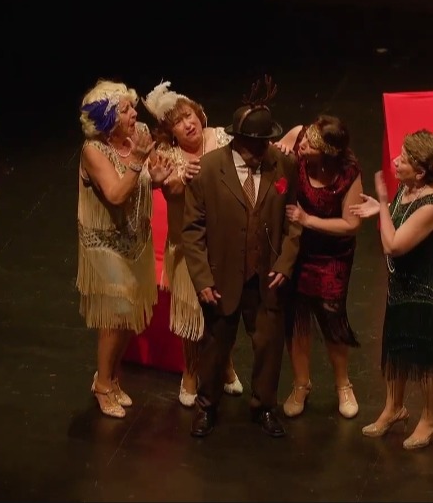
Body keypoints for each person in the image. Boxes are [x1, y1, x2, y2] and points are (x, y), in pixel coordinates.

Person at [181, 76, 301, 438]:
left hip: (266, 277)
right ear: (238, 139)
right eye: (255, 143)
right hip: (221, 278)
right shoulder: (208, 170)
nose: (262, 150)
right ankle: (207, 406)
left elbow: (294, 220)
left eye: (265, 142)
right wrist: (202, 279)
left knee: (268, 347)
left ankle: (264, 406)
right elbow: (192, 231)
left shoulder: (282, 165)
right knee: (215, 348)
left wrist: (285, 263)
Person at [349, 129, 433, 450]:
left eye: (404, 159)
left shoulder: (432, 204)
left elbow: (393, 244)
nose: (395, 161)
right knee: (396, 349)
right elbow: (396, 219)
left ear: (420, 172)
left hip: (428, 295)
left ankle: (431, 418)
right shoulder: (408, 187)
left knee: (426, 359)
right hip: (402, 287)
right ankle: (394, 408)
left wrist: (382, 203)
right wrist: (382, 209)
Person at [143, 80, 243, 407]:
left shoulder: (222, 138)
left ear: (199, 114)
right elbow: (166, 188)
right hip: (188, 246)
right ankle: (190, 372)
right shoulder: (168, 156)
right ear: (170, 132)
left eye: (189, 115)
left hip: (225, 241)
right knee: (191, 312)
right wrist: (180, 179)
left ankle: (226, 364)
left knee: (226, 310)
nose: (188, 124)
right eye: (178, 122)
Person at [77, 79, 172, 418]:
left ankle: (113, 377)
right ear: (107, 118)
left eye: (132, 107)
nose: (135, 114)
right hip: (105, 244)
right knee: (115, 316)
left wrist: (156, 177)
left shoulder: (139, 135)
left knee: (130, 315)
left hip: (135, 238)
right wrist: (137, 161)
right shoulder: (93, 150)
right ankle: (103, 383)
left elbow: (146, 179)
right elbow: (116, 194)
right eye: (126, 109)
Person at [273, 115, 364, 419]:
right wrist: (279, 151)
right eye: (307, 137)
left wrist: (308, 219)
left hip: (331, 255)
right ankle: (301, 383)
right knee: (296, 319)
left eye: (312, 145)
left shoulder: (347, 173)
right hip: (298, 248)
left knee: (331, 319)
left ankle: (343, 385)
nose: (304, 145)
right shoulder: (299, 137)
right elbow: (276, 156)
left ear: (328, 153)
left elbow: (351, 224)